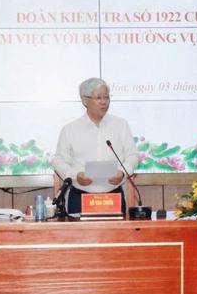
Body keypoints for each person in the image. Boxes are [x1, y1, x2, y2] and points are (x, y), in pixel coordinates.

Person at [50, 77, 141, 214]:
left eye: (106, 97)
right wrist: (75, 176)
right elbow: (59, 161)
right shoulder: (70, 129)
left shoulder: (120, 125)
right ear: (85, 101)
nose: (104, 102)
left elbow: (132, 155)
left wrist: (122, 172)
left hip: (113, 196)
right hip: (80, 196)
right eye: (99, 97)